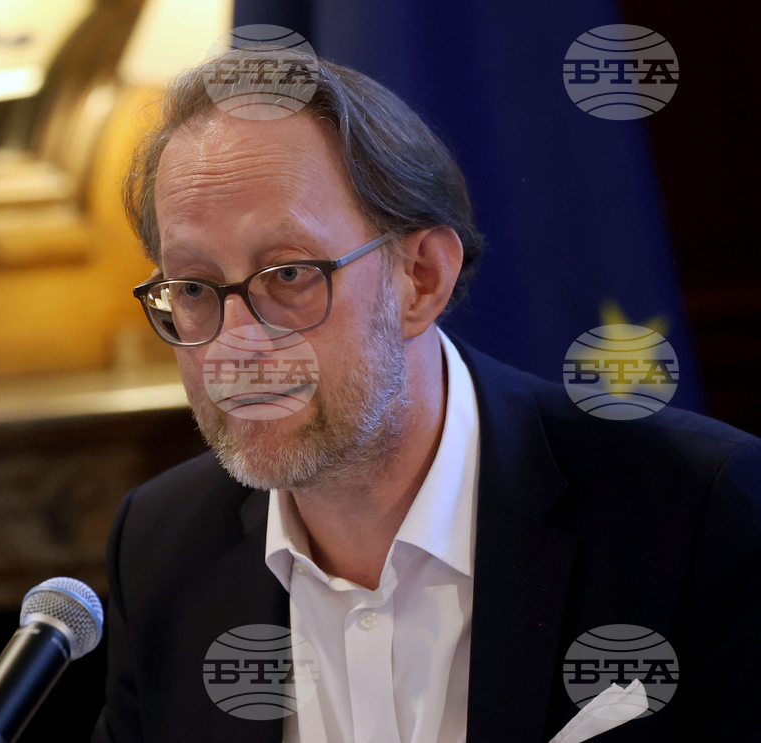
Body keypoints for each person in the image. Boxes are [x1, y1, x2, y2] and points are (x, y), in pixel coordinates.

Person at [92, 49, 761, 743]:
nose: (236, 344)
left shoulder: (696, 515)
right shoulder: (160, 548)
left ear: (421, 278)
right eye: (194, 287)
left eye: (288, 274)